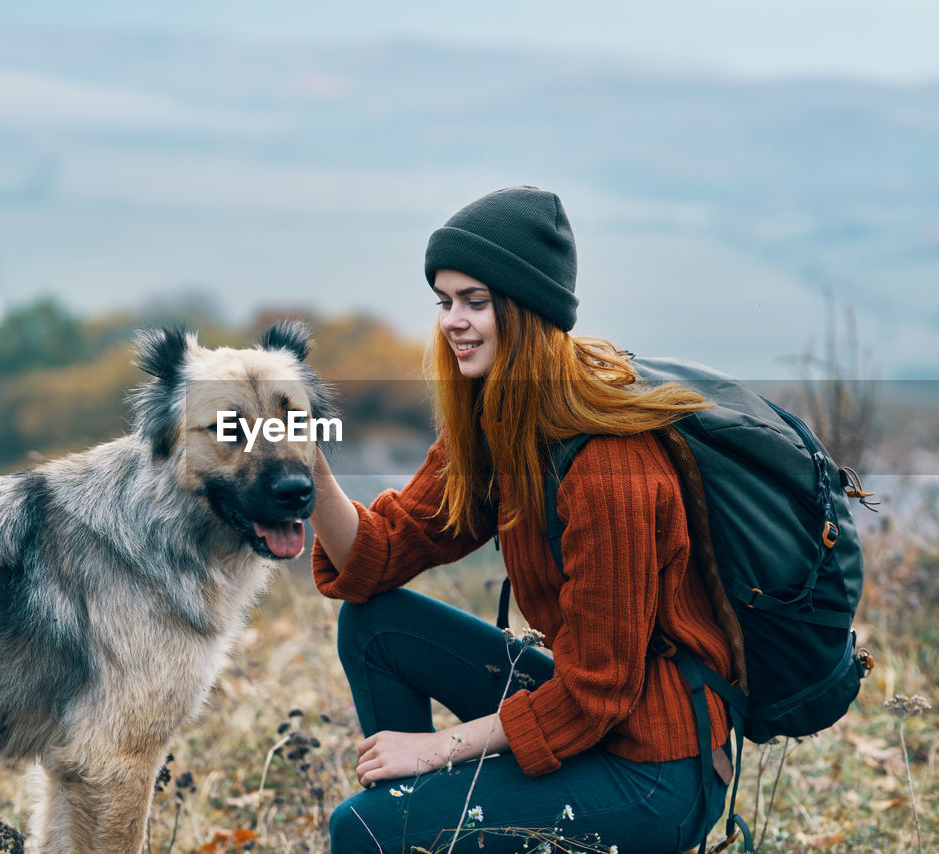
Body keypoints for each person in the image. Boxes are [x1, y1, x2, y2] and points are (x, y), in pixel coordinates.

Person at [309, 186, 735, 853]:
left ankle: (400, 825)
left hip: (653, 773)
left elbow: (598, 696)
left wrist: (433, 750)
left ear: (526, 309)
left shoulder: (607, 466)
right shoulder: (499, 420)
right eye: (444, 301)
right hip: (590, 717)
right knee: (375, 625)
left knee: (359, 829)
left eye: (476, 302)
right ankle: (412, 823)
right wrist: (305, 471)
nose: (453, 320)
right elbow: (385, 550)